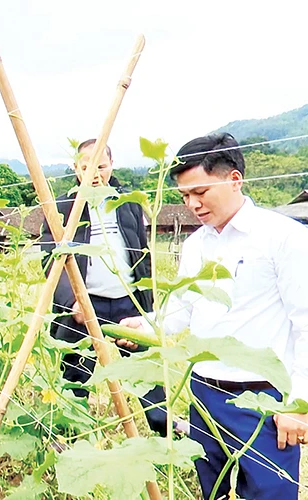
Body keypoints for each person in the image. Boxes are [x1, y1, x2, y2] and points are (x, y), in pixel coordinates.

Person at [118, 133, 308, 498]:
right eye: (184, 196)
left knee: (270, 492)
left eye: (200, 193)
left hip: (263, 400)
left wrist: (298, 404)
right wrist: (146, 325)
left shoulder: (282, 237)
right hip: (204, 393)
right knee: (212, 489)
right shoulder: (196, 244)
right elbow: (184, 310)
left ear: (233, 180)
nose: (192, 205)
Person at [40, 139, 168, 436]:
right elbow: (51, 260)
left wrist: (147, 304)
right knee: (75, 369)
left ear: (112, 165)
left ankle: (164, 427)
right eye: (86, 167)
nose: (95, 173)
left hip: (127, 299)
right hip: (85, 304)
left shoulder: (128, 202)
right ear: (75, 167)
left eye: (101, 165)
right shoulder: (64, 206)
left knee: (145, 369)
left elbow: (141, 252)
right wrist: (72, 300)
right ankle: (68, 433)